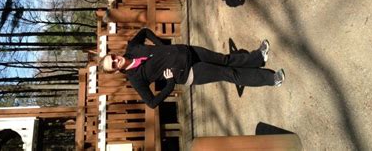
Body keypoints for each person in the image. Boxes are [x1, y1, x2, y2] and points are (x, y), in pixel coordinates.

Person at [99, 28, 285, 109]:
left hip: (188, 52)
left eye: (113, 57)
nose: (116, 61)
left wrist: (161, 45)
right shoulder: (136, 79)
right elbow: (152, 103)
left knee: (225, 59)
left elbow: (145, 31)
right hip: (189, 73)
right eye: (113, 65)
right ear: (115, 71)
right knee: (228, 74)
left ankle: (258, 57)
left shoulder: (132, 48)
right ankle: (271, 79)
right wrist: (170, 83)